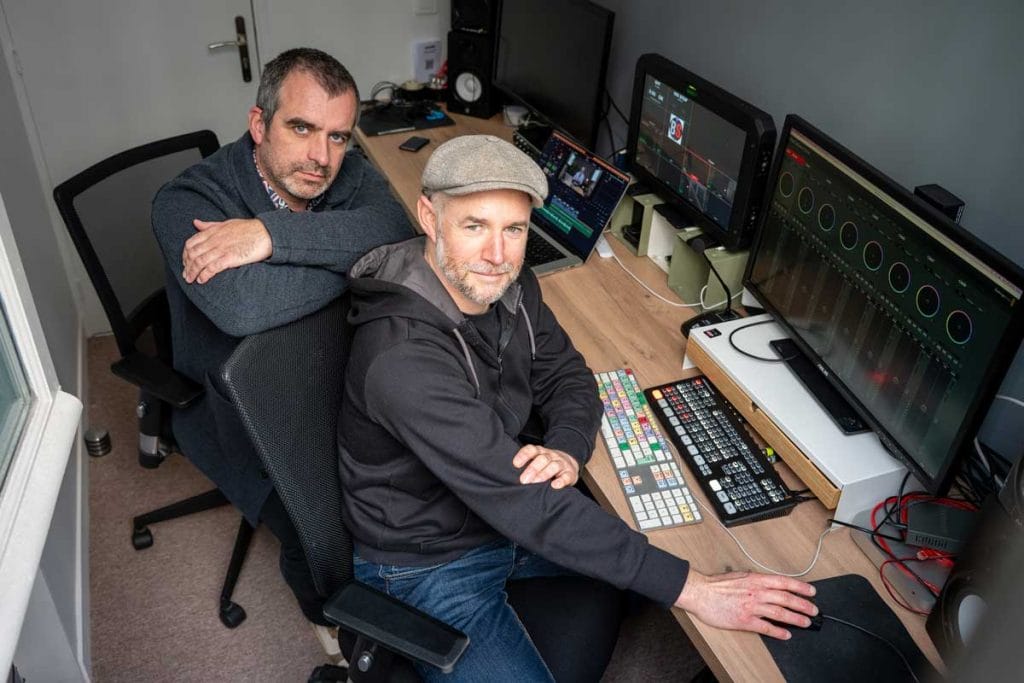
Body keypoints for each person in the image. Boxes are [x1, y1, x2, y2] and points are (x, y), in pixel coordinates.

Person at [338, 135, 818, 682]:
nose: (498, 256)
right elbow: (527, 504)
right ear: (430, 216)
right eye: (474, 226)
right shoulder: (402, 360)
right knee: (670, 575)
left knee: (662, 551)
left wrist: (567, 447)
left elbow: (568, 376)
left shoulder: (508, 286)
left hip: (501, 518)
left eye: (513, 229)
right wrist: (698, 592)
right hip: (429, 561)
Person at [151, 48, 413, 632]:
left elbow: (395, 231)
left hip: (331, 366)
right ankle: (333, 630)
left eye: (339, 137)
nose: (321, 157)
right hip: (237, 409)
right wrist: (349, 261)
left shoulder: (337, 173)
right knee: (317, 535)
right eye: (301, 128)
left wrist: (269, 236)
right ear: (258, 124)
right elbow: (244, 306)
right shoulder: (185, 203)